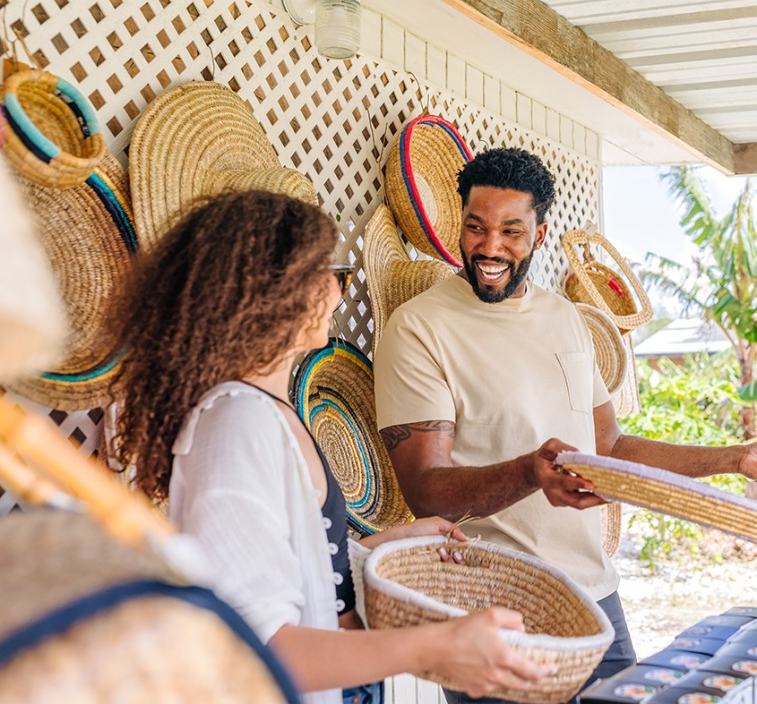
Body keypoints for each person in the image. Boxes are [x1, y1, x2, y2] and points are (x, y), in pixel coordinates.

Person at [110, 189, 555, 704]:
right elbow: (253, 646)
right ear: (269, 290)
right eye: (328, 273)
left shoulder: (267, 413)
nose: (339, 292)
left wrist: (378, 546)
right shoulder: (237, 426)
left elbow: (295, 568)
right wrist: (435, 645)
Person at [373, 147, 757, 703]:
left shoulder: (565, 319)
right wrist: (531, 472)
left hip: (596, 595)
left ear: (541, 232)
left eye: (511, 231)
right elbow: (425, 492)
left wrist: (731, 458)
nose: (490, 247)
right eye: (476, 228)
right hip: (494, 603)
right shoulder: (421, 329)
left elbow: (611, 446)